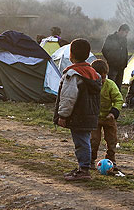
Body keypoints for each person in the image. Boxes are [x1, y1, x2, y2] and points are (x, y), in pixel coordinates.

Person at [53, 38, 102, 181]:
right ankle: (83, 166)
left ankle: (84, 170)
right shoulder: (94, 73)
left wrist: (63, 115)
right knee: (84, 140)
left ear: (71, 55)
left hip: (78, 115)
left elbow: (68, 97)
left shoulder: (73, 74)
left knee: (81, 142)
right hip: (91, 114)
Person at [90, 59, 124, 169]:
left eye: (104, 77)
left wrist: (113, 113)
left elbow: (118, 99)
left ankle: (111, 159)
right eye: (99, 78)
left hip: (109, 117)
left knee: (112, 140)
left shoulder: (110, 85)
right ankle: (91, 159)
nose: (101, 80)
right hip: (94, 118)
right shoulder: (90, 85)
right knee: (94, 140)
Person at [101, 24, 130, 89]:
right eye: (126, 32)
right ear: (121, 30)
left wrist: (125, 62)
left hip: (121, 67)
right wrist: (111, 60)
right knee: (111, 85)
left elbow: (125, 51)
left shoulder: (124, 40)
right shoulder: (110, 38)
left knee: (118, 86)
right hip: (113, 66)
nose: (126, 34)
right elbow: (104, 50)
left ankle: (118, 98)